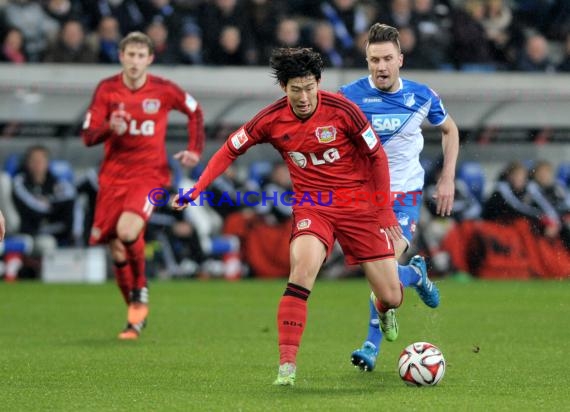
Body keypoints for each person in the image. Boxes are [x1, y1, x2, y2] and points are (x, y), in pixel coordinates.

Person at [172, 47, 403, 386]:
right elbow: (229, 149)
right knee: (302, 271)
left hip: (358, 205)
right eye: (296, 89)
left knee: (391, 295)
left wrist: (383, 209)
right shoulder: (270, 118)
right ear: (284, 87)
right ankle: (287, 367)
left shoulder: (344, 111)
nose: (305, 96)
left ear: (318, 83)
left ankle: (384, 309)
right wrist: (198, 188)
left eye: (310, 87)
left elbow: (377, 155)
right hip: (313, 206)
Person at [339, 23, 459, 372]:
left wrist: (447, 176)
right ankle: (417, 276)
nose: (380, 66)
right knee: (384, 276)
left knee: (384, 267)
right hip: (363, 199)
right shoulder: (349, 96)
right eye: (374, 59)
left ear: (400, 60)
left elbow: (450, 129)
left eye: (387, 58)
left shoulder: (422, 96)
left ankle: (370, 347)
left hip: (403, 195)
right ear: (367, 61)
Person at [81, 31, 205, 340]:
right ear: (121, 57)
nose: (135, 61)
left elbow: (194, 110)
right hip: (112, 178)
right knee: (116, 248)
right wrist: (110, 127)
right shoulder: (107, 90)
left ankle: (140, 290)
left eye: (141, 56)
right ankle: (134, 317)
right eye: (130, 55)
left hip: (150, 174)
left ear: (149, 59)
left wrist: (195, 149)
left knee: (126, 232)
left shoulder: (163, 90)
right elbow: (88, 136)